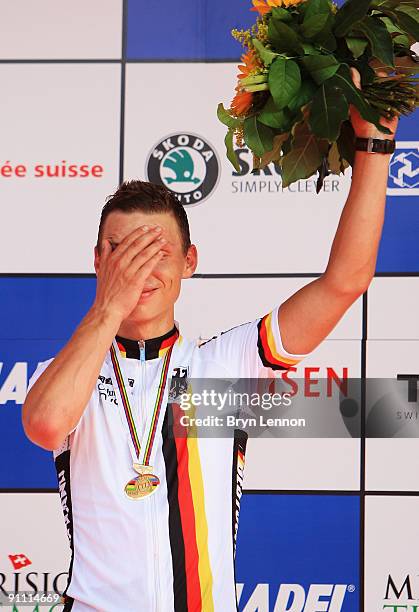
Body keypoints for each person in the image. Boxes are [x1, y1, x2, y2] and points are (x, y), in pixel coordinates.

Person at [22, 70, 398, 612]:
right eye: (122, 252)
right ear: (97, 260)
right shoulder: (70, 371)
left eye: (157, 253)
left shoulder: (225, 365)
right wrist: (110, 305)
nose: (139, 270)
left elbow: (345, 282)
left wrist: (375, 147)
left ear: (189, 262)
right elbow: (45, 424)